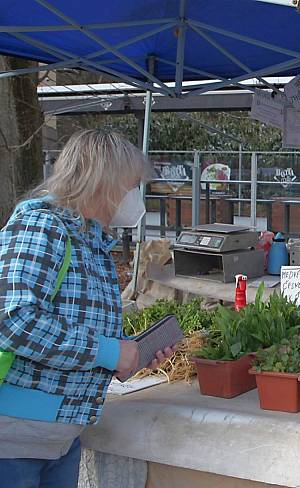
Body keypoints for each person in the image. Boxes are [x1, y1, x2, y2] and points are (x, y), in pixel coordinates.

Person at [0, 129, 174, 487]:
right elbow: (13, 319)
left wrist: (129, 355)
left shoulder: (91, 243)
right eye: (131, 183)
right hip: (15, 442)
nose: (134, 195)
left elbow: (77, 328)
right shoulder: (42, 226)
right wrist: (109, 351)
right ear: (102, 179)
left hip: (59, 440)